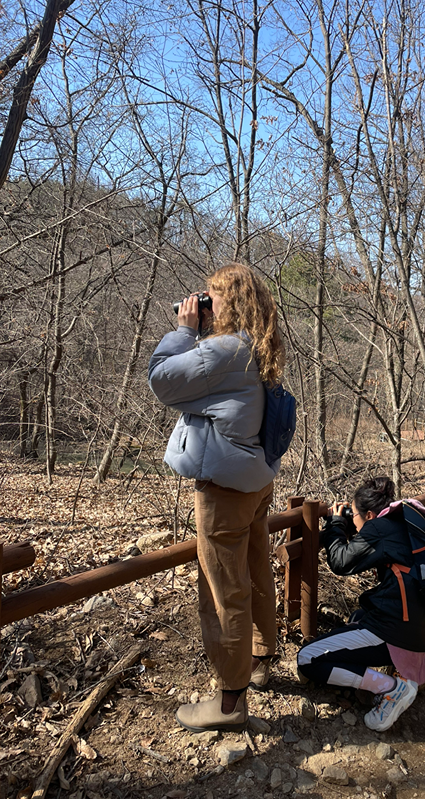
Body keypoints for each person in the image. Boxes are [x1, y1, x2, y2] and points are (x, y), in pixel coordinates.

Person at [148, 262, 286, 733]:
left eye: (211, 296)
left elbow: (163, 381)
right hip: (256, 481)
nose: (203, 303)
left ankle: (229, 702)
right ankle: (261, 659)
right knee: (254, 567)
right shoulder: (256, 347)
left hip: (224, 489)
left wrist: (184, 332)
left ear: (230, 302)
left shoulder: (223, 350)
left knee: (222, 589)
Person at [297, 477, 425, 732]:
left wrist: (336, 524)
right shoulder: (408, 520)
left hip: (395, 630)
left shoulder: (381, 528)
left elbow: (340, 562)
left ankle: (391, 688)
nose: (354, 520)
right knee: (357, 615)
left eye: (355, 515)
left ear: (371, 515)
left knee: (308, 659)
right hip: (422, 629)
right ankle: (404, 674)